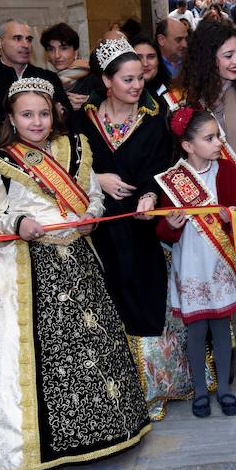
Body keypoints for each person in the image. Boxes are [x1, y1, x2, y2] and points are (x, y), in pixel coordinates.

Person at [0, 77, 150, 470]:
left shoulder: (75, 149)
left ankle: (109, 428)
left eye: (43, 113)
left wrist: (92, 216)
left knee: (94, 345)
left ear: (55, 112)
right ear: (11, 117)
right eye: (27, 115)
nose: (37, 122)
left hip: (76, 257)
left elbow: (92, 195)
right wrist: (19, 222)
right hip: (24, 264)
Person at [172, 21, 236, 392]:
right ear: (207, 58)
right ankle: (220, 354)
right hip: (204, 213)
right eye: (227, 55)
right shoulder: (189, 98)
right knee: (215, 282)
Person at [155, 107, 236, 417]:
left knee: (222, 327)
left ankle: (224, 389)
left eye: (218, 136)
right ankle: (200, 391)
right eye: (209, 138)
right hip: (191, 265)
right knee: (196, 332)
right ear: (188, 145)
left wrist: (230, 217)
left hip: (218, 263)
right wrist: (172, 224)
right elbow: (162, 231)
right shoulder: (172, 180)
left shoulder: (227, 171)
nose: (218, 143)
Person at [77, 37, 172, 337]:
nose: (136, 86)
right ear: (106, 79)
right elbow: (68, 165)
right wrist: (98, 179)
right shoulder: (83, 120)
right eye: (128, 79)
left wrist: (148, 195)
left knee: (144, 300)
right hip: (98, 231)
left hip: (139, 229)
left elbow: (158, 167)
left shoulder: (154, 121)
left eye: (141, 78)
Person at [0, 19, 71, 141]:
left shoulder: (49, 78)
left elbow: (70, 122)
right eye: (17, 38)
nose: (25, 45)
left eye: (28, 39)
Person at [40, 22, 100, 111]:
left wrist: (89, 104)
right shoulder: (45, 82)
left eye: (63, 48)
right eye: (51, 49)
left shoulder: (94, 78)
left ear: (76, 52)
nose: (57, 55)